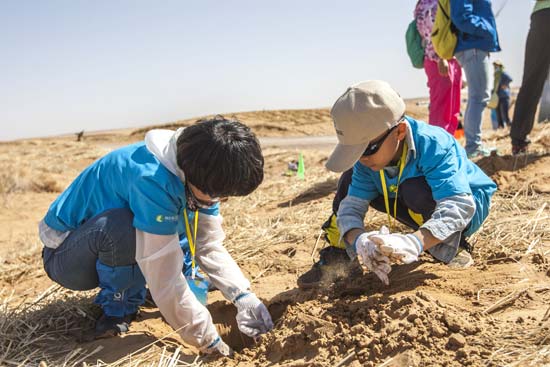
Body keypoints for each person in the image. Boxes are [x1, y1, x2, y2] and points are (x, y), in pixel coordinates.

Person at [39, 116, 273, 356]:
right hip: (68, 258)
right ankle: (119, 308)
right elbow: (164, 274)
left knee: (179, 221)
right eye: (217, 194)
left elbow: (207, 243)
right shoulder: (151, 179)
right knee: (124, 227)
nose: (219, 200)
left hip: (108, 246)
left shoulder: (202, 168)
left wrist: (242, 295)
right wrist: (207, 339)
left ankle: (141, 288)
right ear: (194, 175)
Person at [297, 81, 496, 289]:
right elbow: (351, 207)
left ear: (399, 131)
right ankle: (341, 256)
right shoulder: (368, 159)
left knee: (414, 189)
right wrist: (360, 241)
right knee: (348, 180)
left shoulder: (434, 144)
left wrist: (414, 242)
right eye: (355, 152)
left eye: (366, 149)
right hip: (410, 196)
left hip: (467, 205)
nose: (361, 159)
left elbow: (458, 205)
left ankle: (451, 245)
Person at [451, 0, 500, 158]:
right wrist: (487, 30)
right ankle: (473, 147)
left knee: (478, 96)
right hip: (473, 46)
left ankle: (473, 145)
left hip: (473, 46)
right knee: (478, 96)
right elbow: (461, 17)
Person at [414, 0, 462, 135]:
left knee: (453, 104)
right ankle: (438, 144)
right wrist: (440, 57)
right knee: (441, 106)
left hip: (450, 56)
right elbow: (431, 32)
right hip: (437, 58)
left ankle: (449, 141)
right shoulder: (426, 4)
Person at [510, 1, 550, 154]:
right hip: (542, 15)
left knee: (531, 81)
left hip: (541, 16)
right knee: (531, 81)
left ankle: (518, 142)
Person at [492, 60, 513, 129]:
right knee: (498, 113)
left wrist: (505, 85)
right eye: (494, 66)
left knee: (505, 113)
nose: (495, 67)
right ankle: (500, 126)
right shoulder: (496, 75)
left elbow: (510, 79)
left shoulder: (503, 73)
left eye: (496, 65)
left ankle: (510, 126)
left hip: (504, 96)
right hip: (498, 97)